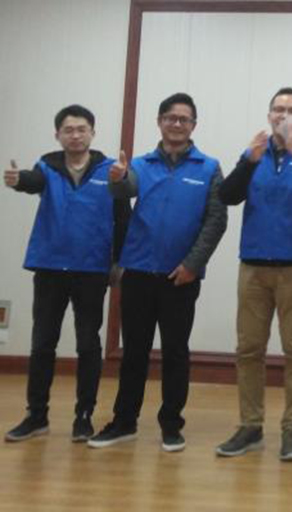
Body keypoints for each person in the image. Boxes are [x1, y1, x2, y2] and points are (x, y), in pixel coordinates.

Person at [88, 93, 227, 452]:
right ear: (160, 122)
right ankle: (124, 422)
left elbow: (216, 221)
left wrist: (192, 265)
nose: (176, 124)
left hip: (180, 276)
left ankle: (171, 425)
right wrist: (117, 179)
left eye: (184, 119)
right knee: (134, 352)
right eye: (170, 118)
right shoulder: (139, 164)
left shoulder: (209, 167)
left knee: (176, 353)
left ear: (193, 125)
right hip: (137, 271)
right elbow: (125, 188)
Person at [215, 88, 292, 460]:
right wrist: (248, 162)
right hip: (253, 266)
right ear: (269, 115)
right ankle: (250, 426)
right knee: (248, 350)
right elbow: (227, 196)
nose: (285, 115)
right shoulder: (253, 151)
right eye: (278, 109)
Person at [3, 105, 129, 443]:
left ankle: (83, 416)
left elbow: (123, 217)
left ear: (92, 133)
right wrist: (18, 181)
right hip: (50, 266)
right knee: (43, 343)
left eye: (81, 129)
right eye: (68, 130)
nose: (75, 135)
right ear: (57, 135)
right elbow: (32, 181)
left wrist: (118, 262)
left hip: (91, 269)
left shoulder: (109, 170)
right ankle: (36, 416)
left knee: (88, 344)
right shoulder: (47, 167)